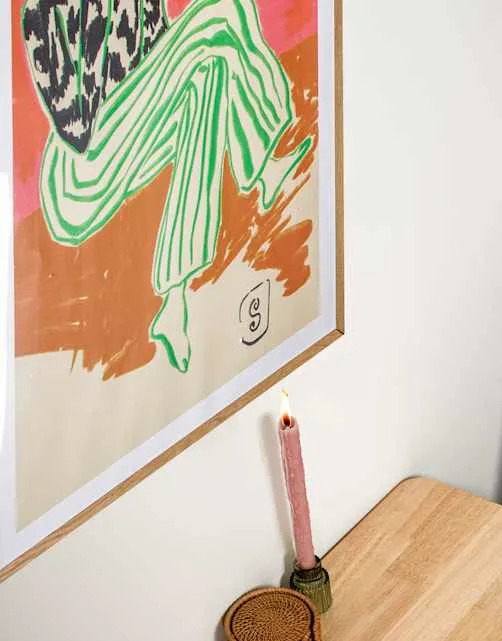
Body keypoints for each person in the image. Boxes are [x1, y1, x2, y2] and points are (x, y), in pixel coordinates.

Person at [22, 0, 310, 372]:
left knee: (208, 73)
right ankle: (263, 162)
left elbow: (161, 58)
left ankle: (174, 301)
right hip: (77, 180)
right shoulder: (42, 13)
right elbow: (77, 124)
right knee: (223, 12)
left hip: (132, 136)